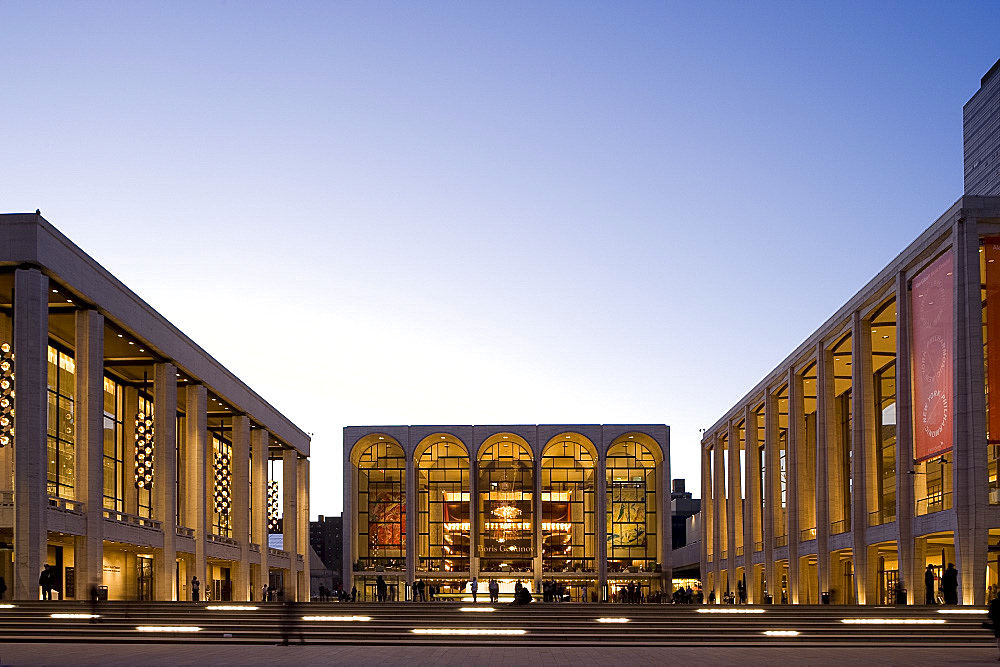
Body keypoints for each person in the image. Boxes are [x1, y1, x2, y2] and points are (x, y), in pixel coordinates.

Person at [989, 593, 1000, 660]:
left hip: (997, 623)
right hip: (997, 623)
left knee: (999, 640)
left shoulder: (994, 603)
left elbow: (990, 614)